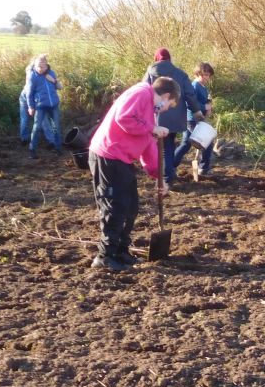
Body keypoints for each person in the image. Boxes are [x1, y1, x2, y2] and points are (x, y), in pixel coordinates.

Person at [88, 76, 178, 271]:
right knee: (114, 207)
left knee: (130, 207)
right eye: (169, 105)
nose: (166, 109)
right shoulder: (141, 93)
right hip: (108, 155)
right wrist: (152, 128)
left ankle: (121, 251)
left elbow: (148, 146)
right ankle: (105, 256)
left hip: (123, 159)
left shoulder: (151, 113)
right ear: (166, 96)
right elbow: (124, 118)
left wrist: (159, 177)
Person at [142, 48, 202, 191]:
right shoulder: (180, 74)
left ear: (156, 59)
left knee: (164, 148)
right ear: (169, 59)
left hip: (157, 117)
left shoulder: (150, 72)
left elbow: (144, 91)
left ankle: (167, 175)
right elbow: (190, 94)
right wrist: (197, 111)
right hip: (176, 117)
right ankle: (168, 176)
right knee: (169, 146)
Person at [176, 62, 216, 181]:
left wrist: (208, 106)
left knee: (185, 144)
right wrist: (204, 107)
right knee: (207, 142)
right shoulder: (194, 85)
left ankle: (170, 165)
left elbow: (204, 101)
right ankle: (203, 168)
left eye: (209, 75)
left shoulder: (203, 87)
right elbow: (189, 102)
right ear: (198, 74)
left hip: (199, 120)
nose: (207, 77)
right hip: (192, 119)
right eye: (205, 75)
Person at [25, 54, 63, 159]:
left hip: (53, 105)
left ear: (46, 66)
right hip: (40, 106)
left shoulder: (52, 73)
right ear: (35, 65)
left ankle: (58, 148)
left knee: (56, 127)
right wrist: (30, 106)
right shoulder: (32, 76)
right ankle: (32, 149)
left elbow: (60, 87)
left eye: (42, 67)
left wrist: (54, 81)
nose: (40, 69)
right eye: (38, 66)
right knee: (37, 127)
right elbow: (29, 93)